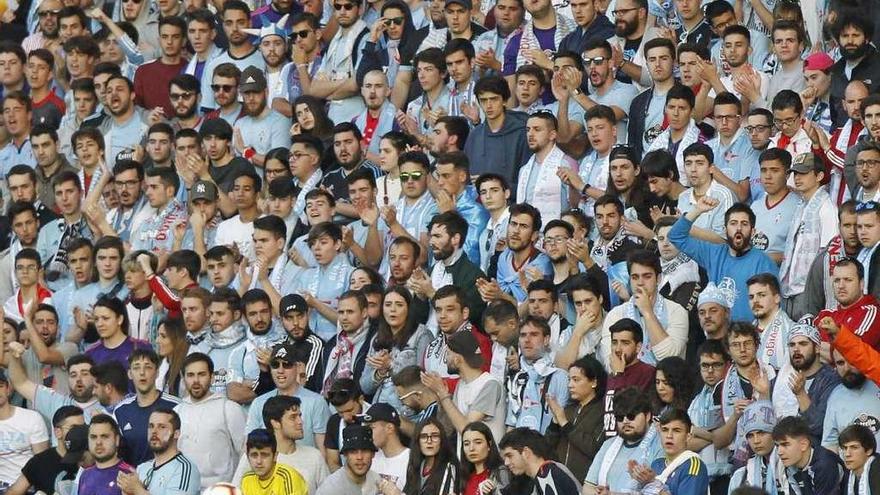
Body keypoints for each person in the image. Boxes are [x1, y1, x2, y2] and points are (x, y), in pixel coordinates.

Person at [670, 200, 778, 321]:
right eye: (733, 223)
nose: (738, 228)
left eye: (744, 224)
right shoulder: (713, 253)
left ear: (753, 232)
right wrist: (697, 210)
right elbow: (675, 236)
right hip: (718, 334)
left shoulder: (764, 262)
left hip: (748, 336)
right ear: (725, 230)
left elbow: (773, 307)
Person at [175, 352, 247, 489]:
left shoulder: (229, 409)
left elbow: (245, 454)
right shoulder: (177, 412)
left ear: (212, 377)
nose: (196, 380)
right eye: (190, 375)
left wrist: (235, 487)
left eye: (201, 374)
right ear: (183, 379)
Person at [421, 329, 506, 443]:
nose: (445, 360)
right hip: (465, 460)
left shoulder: (490, 384)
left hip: (490, 460)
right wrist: (439, 397)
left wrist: (443, 394)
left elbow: (467, 430)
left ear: (457, 360)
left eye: (448, 354)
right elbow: (448, 429)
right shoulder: (461, 385)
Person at [112, 348, 180, 465]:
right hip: (133, 479)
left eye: (148, 367)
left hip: (169, 478)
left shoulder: (176, 406)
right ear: (129, 374)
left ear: (157, 372)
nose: (142, 372)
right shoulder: (120, 411)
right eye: (136, 367)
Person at [546, 355, 607, 482]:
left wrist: (565, 424)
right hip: (559, 482)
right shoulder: (567, 410)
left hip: (585, 484)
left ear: (594, 382)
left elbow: (594, 448)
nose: (570, 385)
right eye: (569, 380)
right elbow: (547, 447)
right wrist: (555, 422)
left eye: (576, 380)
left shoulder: (603, 411)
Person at [116, 408, 201, 495]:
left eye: (162, 427)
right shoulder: (142, 468)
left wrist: (138, 490)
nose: (154, 431)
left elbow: (138, 491)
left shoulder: (185, 469)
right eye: (151, 426)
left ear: (176, 434)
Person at [628, 409, 709, 494]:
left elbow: (653, 487)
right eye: (665, 430)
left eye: (676, 431)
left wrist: (653, 485)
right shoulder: (657, 464)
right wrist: (639, 481)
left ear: (688, 437)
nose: (669, 436)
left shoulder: (693, 466)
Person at [6, 405, 84, 495]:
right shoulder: (39, 462)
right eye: (73, 428)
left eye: (83, 427)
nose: (80, 433)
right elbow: (14, 492)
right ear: (58, 432)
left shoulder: (91, 459)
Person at [0, 368, 49, 488]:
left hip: (29, 485)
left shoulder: (31, 418)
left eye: (0, 386)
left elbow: (42, 463)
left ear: (8, 389)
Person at [499, 427, 581, 495]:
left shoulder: (549, 473)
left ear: (526, 452)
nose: (506, 463)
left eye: (510, 456)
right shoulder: (541, 475)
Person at [773, 415, 842, 494]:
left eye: (785, 445)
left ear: (804, 445)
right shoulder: (789, 465)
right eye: (777, 445)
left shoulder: (825, 464)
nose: (779, 452)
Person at [315, 424, 384, 495]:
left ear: (373, 454)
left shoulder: (376, 480)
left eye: (365, 451)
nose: (359, 457)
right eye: (353, 452)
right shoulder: (330, 489)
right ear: (345, 454)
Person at [728, 401, 779, 493]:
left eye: (762, 433)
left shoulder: (789, 467)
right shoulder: (740, 477)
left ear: (774, 434)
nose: (756, 441)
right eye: (750, 436)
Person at [76, 414, 134, 495]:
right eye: (93, 437)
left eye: (104, 436)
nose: (98, 442)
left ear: (116, 440)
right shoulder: (85, 475)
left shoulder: (129, 474)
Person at [240, 428, 309, 495]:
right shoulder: (246, 480)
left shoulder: (287, 477)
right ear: (248, 456)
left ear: (275, 456)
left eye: (264, 455)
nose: (259, 461)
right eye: (254, 455)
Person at [361, 403, 410, 490]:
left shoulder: (411, 459)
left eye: (371, 428)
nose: (367, 433)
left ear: (390, 428)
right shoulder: (371, 458)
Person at [838, 424, 880, 494]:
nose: (847, 454)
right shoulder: (848, 473)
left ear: (869, 450)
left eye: (854, 447)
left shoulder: (877, 469)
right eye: (845, 448)